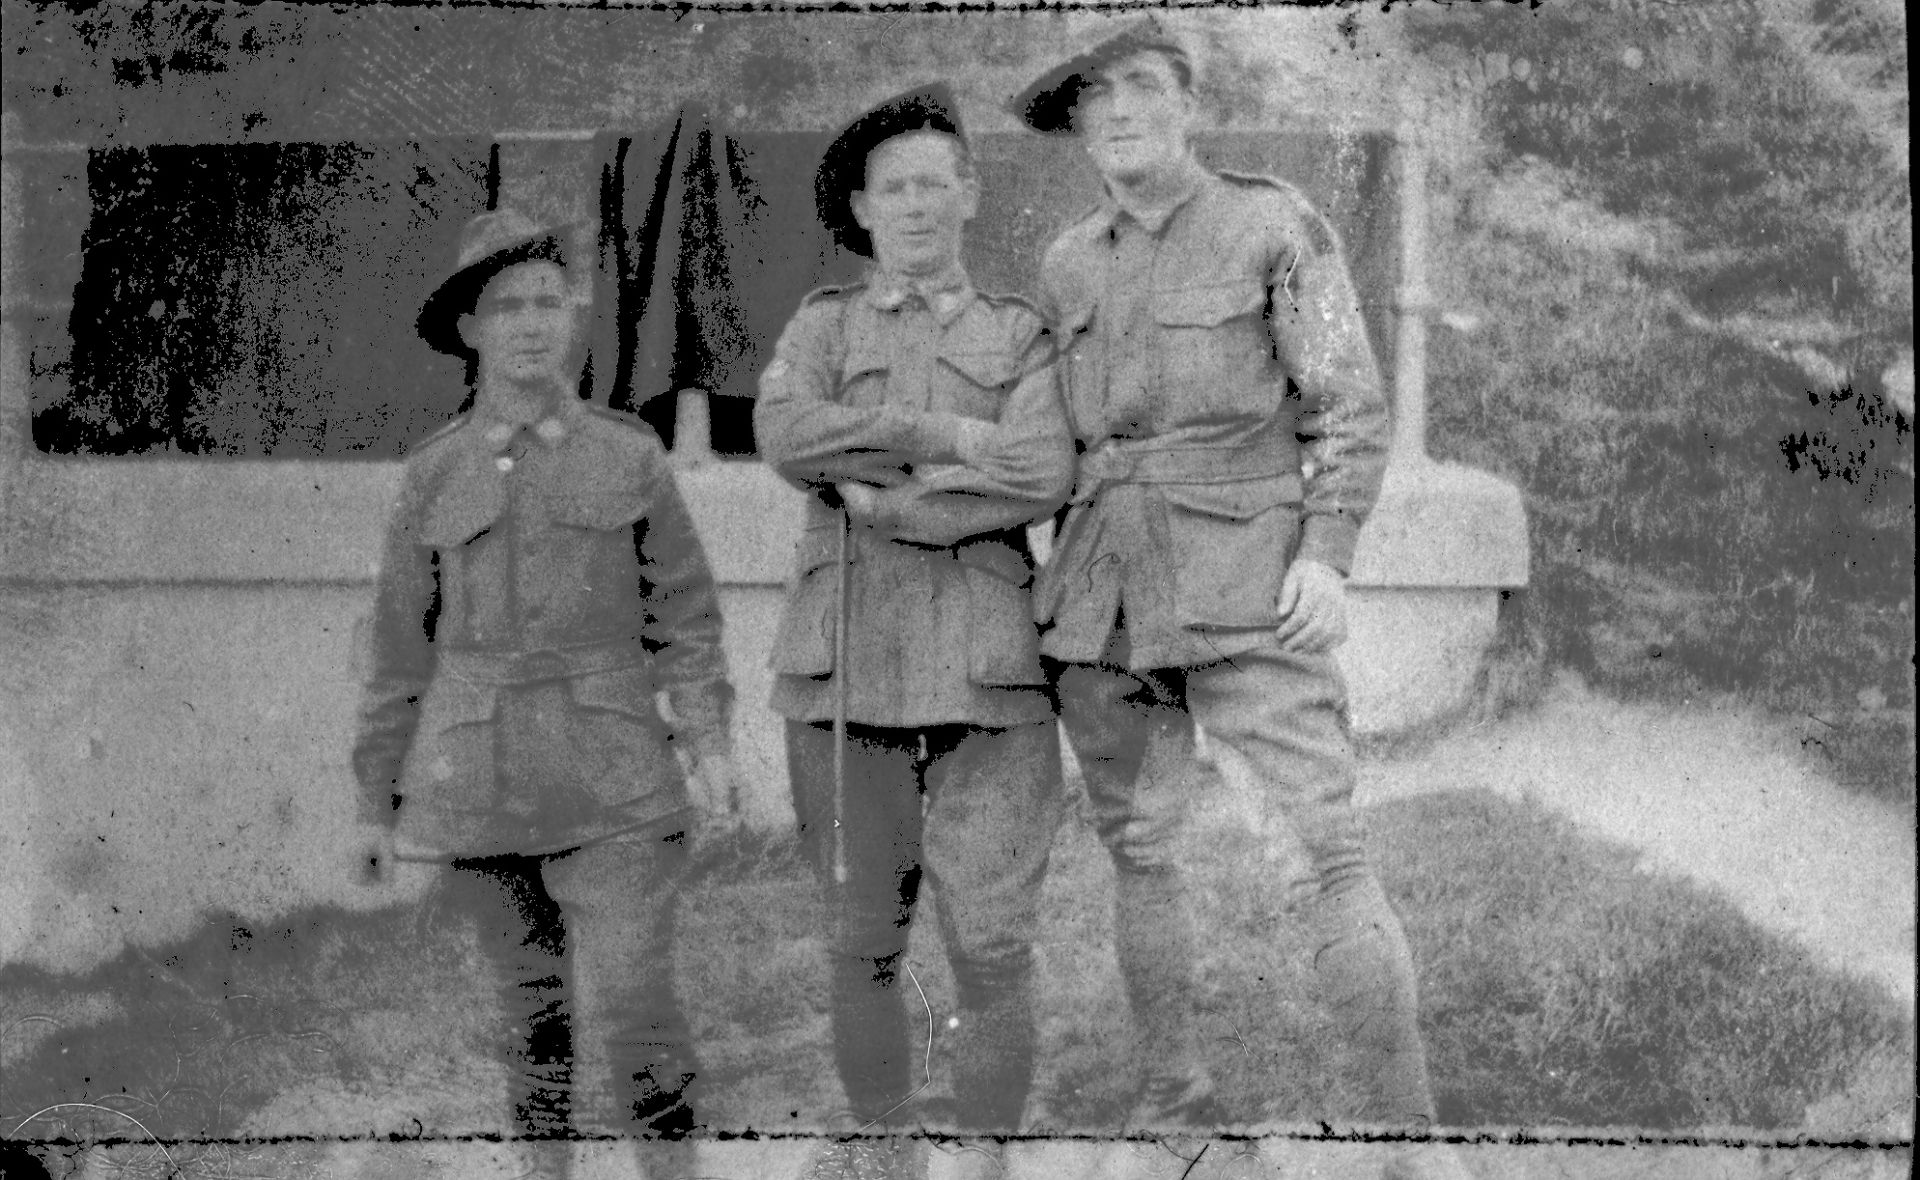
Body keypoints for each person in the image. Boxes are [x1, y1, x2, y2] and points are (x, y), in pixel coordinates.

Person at [1010, 19, 1474, 1179]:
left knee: (1326, 855)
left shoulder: (1276, 225)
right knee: (1143, 852)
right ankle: (1177, 1113)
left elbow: (1348, 406)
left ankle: (1411, 1140)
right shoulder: (1068, 260)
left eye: (1142, 89)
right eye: (1094, 99)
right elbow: (1051, 438)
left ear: (1186, 103)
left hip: (1252, 589)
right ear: (1075, 125)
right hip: (1106, 601)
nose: (1118, 113)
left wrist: (1326, 552)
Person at [352, 208, 741, 1180]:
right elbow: (400, 653)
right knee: (529, 1020)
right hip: (480, 779)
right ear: (471, 329)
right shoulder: (433, 475)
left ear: (571, 319)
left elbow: (685, 617)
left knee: (637, 1009)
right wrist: (374, 800)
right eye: (506, 306)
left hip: (613, 772)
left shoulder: (629, 456)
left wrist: (708, 741)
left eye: (548, 303)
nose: (532, 323)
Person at [755, 84, 1074, 1168]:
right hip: (845, 669)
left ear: (972, 196)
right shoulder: (822, 323)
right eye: (896, 187)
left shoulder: (1021, 334)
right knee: (861, 943)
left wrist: (891, 501)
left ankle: (985, 1156)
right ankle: (883, 1148)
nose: (919, 205)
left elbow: (1040, 469)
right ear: (862, 204)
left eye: (938, 182)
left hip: (989, 681)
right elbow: (790, 435)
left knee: (991, 949)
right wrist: (941, 431)